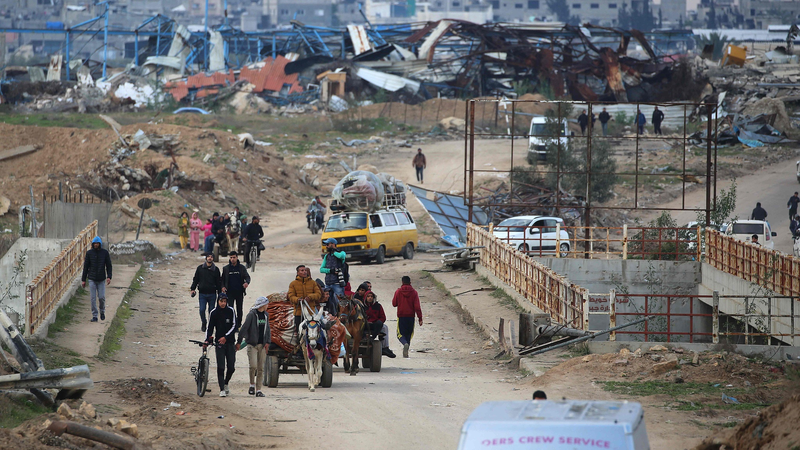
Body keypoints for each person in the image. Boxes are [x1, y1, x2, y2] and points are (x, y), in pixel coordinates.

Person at [236, 296, 270, 397]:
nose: (267, 306)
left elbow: (267, 329)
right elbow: (244, 328)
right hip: (252, 345)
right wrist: (239, 342)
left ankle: (258, 390)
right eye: (266, 304)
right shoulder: (251, 315)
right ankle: (252, 385)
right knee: (253, 366)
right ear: (262, 305)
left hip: (262, 346)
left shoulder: (266, 315)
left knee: (261, 368)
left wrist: (268, 342)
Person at [205, 293, 236, 397]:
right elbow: (209, 328)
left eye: (224, 301)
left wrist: (226, 337)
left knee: (231, 367)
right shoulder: (214, 312)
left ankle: (226, 382)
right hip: (219, 343)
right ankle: (222, 388)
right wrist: (207, 339)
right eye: (221, 301)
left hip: (230, 342)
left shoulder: (231, 311)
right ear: (218, 301)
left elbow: (234, 326)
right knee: (221, 366)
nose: (223, 303)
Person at [81, 236, 112, 322]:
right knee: (93, 298)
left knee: (101, 297)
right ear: (92, 244)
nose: (96, 245)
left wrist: (109, 277)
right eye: (94, 243)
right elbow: (86, 267)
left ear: (100, 244)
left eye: (97, 243)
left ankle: (102, 311)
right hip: (92, 278)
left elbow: (109, 266)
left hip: (101, 279)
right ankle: (94, 315)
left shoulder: (105, 253)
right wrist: (83, 280)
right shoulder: (89, 253)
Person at [392, 275, 423, 358]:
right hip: (411, 317)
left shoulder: (398, 291)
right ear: (410, 282)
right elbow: (417, 306)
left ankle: (404, 343)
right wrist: (420, 318)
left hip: (401, 316)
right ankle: (407, 349)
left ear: (402, 282)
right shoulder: (414, 292)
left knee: (400, 334)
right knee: (409, 334)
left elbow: (394, 304)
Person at [190, 253, 222, 332]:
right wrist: (192, 289)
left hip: (212, 294)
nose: (210, 258)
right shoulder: (200, 268)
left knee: (211, 311)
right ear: (206, 258)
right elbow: (196, 279)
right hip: (202, 294)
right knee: (202, 310)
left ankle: (210, 325)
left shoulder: (216, 270)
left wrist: (220, 294)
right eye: (208, 257)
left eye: (211, 257)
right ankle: (204, 322)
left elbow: (218, 282)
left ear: (213, 259)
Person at [288, 265, 322, 336]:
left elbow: (319, 294)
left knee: (314, 331)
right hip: (299, 313)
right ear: (297, 272)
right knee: (299, 332)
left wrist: (310, 297)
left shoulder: (313, 283)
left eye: (305, 270)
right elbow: (291, 296)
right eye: (302, 270)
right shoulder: (293, 284)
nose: (304, 272)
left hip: (311, 312)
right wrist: (298, 299)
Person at [222, 251, 250, 331]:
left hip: (239, 292)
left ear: (237, 257)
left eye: (234, 257)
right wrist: (223, 287)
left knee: (239, 309)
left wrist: (246, 283)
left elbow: (247, 277)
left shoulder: (241, 268)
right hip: (229, 293)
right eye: (231, 257)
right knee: (230, 309)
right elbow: (222, 280)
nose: (232, 259)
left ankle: (238, 325)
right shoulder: (226, 268)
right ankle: (231, 325)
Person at [364, 291, 396, 358]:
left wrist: (379, 322)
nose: (370, 298)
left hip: (375, 325)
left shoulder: (378, 306)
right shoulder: (362, 306)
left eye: (371, 296)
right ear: (365, 297)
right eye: (368, 296)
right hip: (365, 324)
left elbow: (383, 317)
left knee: (384, 327)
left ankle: (385, 347)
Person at [320, 238, 346, 315]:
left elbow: (341, 256)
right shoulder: (327, 256)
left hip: (337, 283)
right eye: (326, 245)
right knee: (328, 302)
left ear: (333, 244)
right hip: (328, 283)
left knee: (340, 303)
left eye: (328, 244)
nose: (326, 246)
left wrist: (333, 250)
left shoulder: (341, 253)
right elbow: (321, 269)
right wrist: (330, 271)